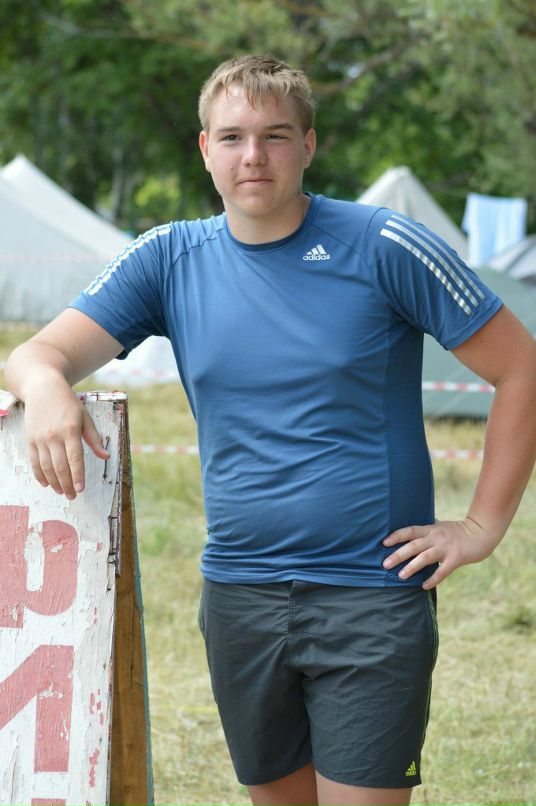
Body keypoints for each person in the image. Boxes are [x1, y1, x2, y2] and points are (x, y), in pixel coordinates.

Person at [5, 55, 536, 806]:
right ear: (205, 149)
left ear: (308, 145)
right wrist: (45, 388)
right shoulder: (168, 257)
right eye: (232, 137)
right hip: (239, 597)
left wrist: (481, 526)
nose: (253, 156)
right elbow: (36, 354)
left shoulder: (384, 244)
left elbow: (522, 368)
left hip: (369, 596)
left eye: (275, 136)